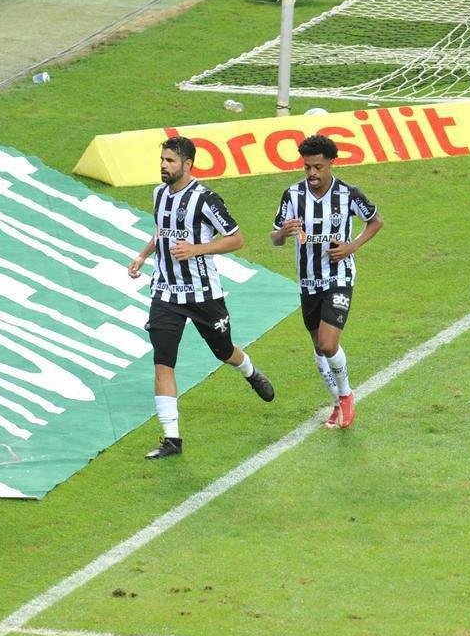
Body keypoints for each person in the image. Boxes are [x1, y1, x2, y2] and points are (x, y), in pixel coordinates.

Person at [128, 136, 274, 459]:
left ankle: (250, 371)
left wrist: (197, 249)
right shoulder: (158, 194)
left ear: (187, 165)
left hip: (203, 294)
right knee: (163, 361)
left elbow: (237, 239)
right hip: (165, 292)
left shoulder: (206, 200)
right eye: (162, 160)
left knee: (223, 351)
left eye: (170, 161)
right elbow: (161, 231)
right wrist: (142, 256)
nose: (163, 166)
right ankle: (172, 439)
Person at [271, 134, 382, 429]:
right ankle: (336, 403)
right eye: (307, 167)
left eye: (318, 167)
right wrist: (283, 232)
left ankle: (345, 395)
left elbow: (375, 221)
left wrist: (351, 247)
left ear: (331, 163)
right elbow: (275, 239)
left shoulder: (347, 194)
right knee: (318, 348)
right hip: (308, 282)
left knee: (328, 342)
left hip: (338, 277)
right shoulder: (292, 195)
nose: (312, 174)